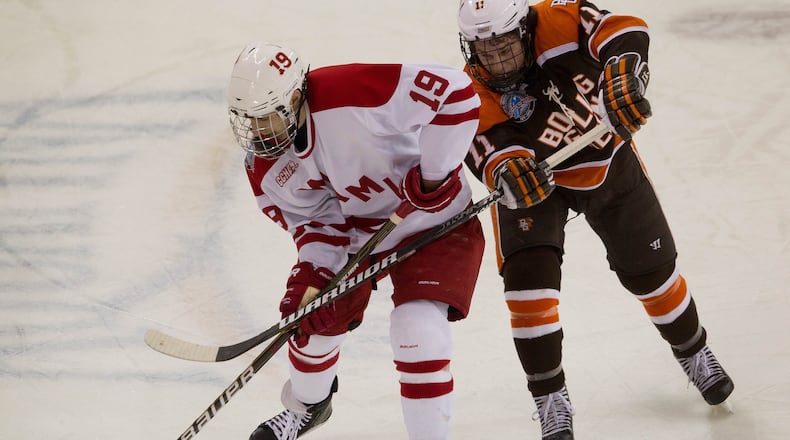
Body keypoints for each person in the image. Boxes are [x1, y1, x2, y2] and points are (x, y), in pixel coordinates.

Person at [456, 1, 734, 439]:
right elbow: (485, 145)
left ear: (526, 31)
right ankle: (550, 399)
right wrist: (507, 169)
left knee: (653, 275)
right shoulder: (472, 90)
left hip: (606, 160)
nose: (495, 60)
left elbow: (625, 30)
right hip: (538, 185)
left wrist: (622, 73)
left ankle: (693, 351)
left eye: (504, 46)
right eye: (482, 49)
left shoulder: (559, 18)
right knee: (527, 290)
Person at [225, 41, 485, 440]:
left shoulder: (351, 92)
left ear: (295, 98)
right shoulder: (264, 168)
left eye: (265, 119)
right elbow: (318, 225)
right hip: (358, 236)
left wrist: (434, 174)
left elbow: (455, 93)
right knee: (309, 320)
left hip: (432, 219)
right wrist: (310, 277)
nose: (258, 133)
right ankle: (307, 409)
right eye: (249, 121)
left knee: (416, 328)